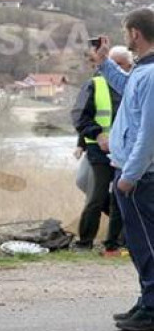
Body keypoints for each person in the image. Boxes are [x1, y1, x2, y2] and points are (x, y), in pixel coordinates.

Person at [93, 8, 154, 331]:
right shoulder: (142, 72)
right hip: (131, 170)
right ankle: (147, 300)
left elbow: (149, 134)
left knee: (146, 243)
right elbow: (126, 87)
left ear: (134, 34)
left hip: (140, 176)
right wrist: (103, 62)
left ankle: (153, 307)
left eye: (126, 33)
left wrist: (129, 176)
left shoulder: (152, 74)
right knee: (139, 241)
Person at [70, 46, 132, 252]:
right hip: (99, 151)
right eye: (115, 65)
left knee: (121, 198)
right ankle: (84, 243)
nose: (118, 70)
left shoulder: (135, 84)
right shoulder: (95, 84)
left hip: (127, 151)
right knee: (96, 197)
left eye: (122, 65)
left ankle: (114, 244)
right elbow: (81, 116)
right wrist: (96, 134)